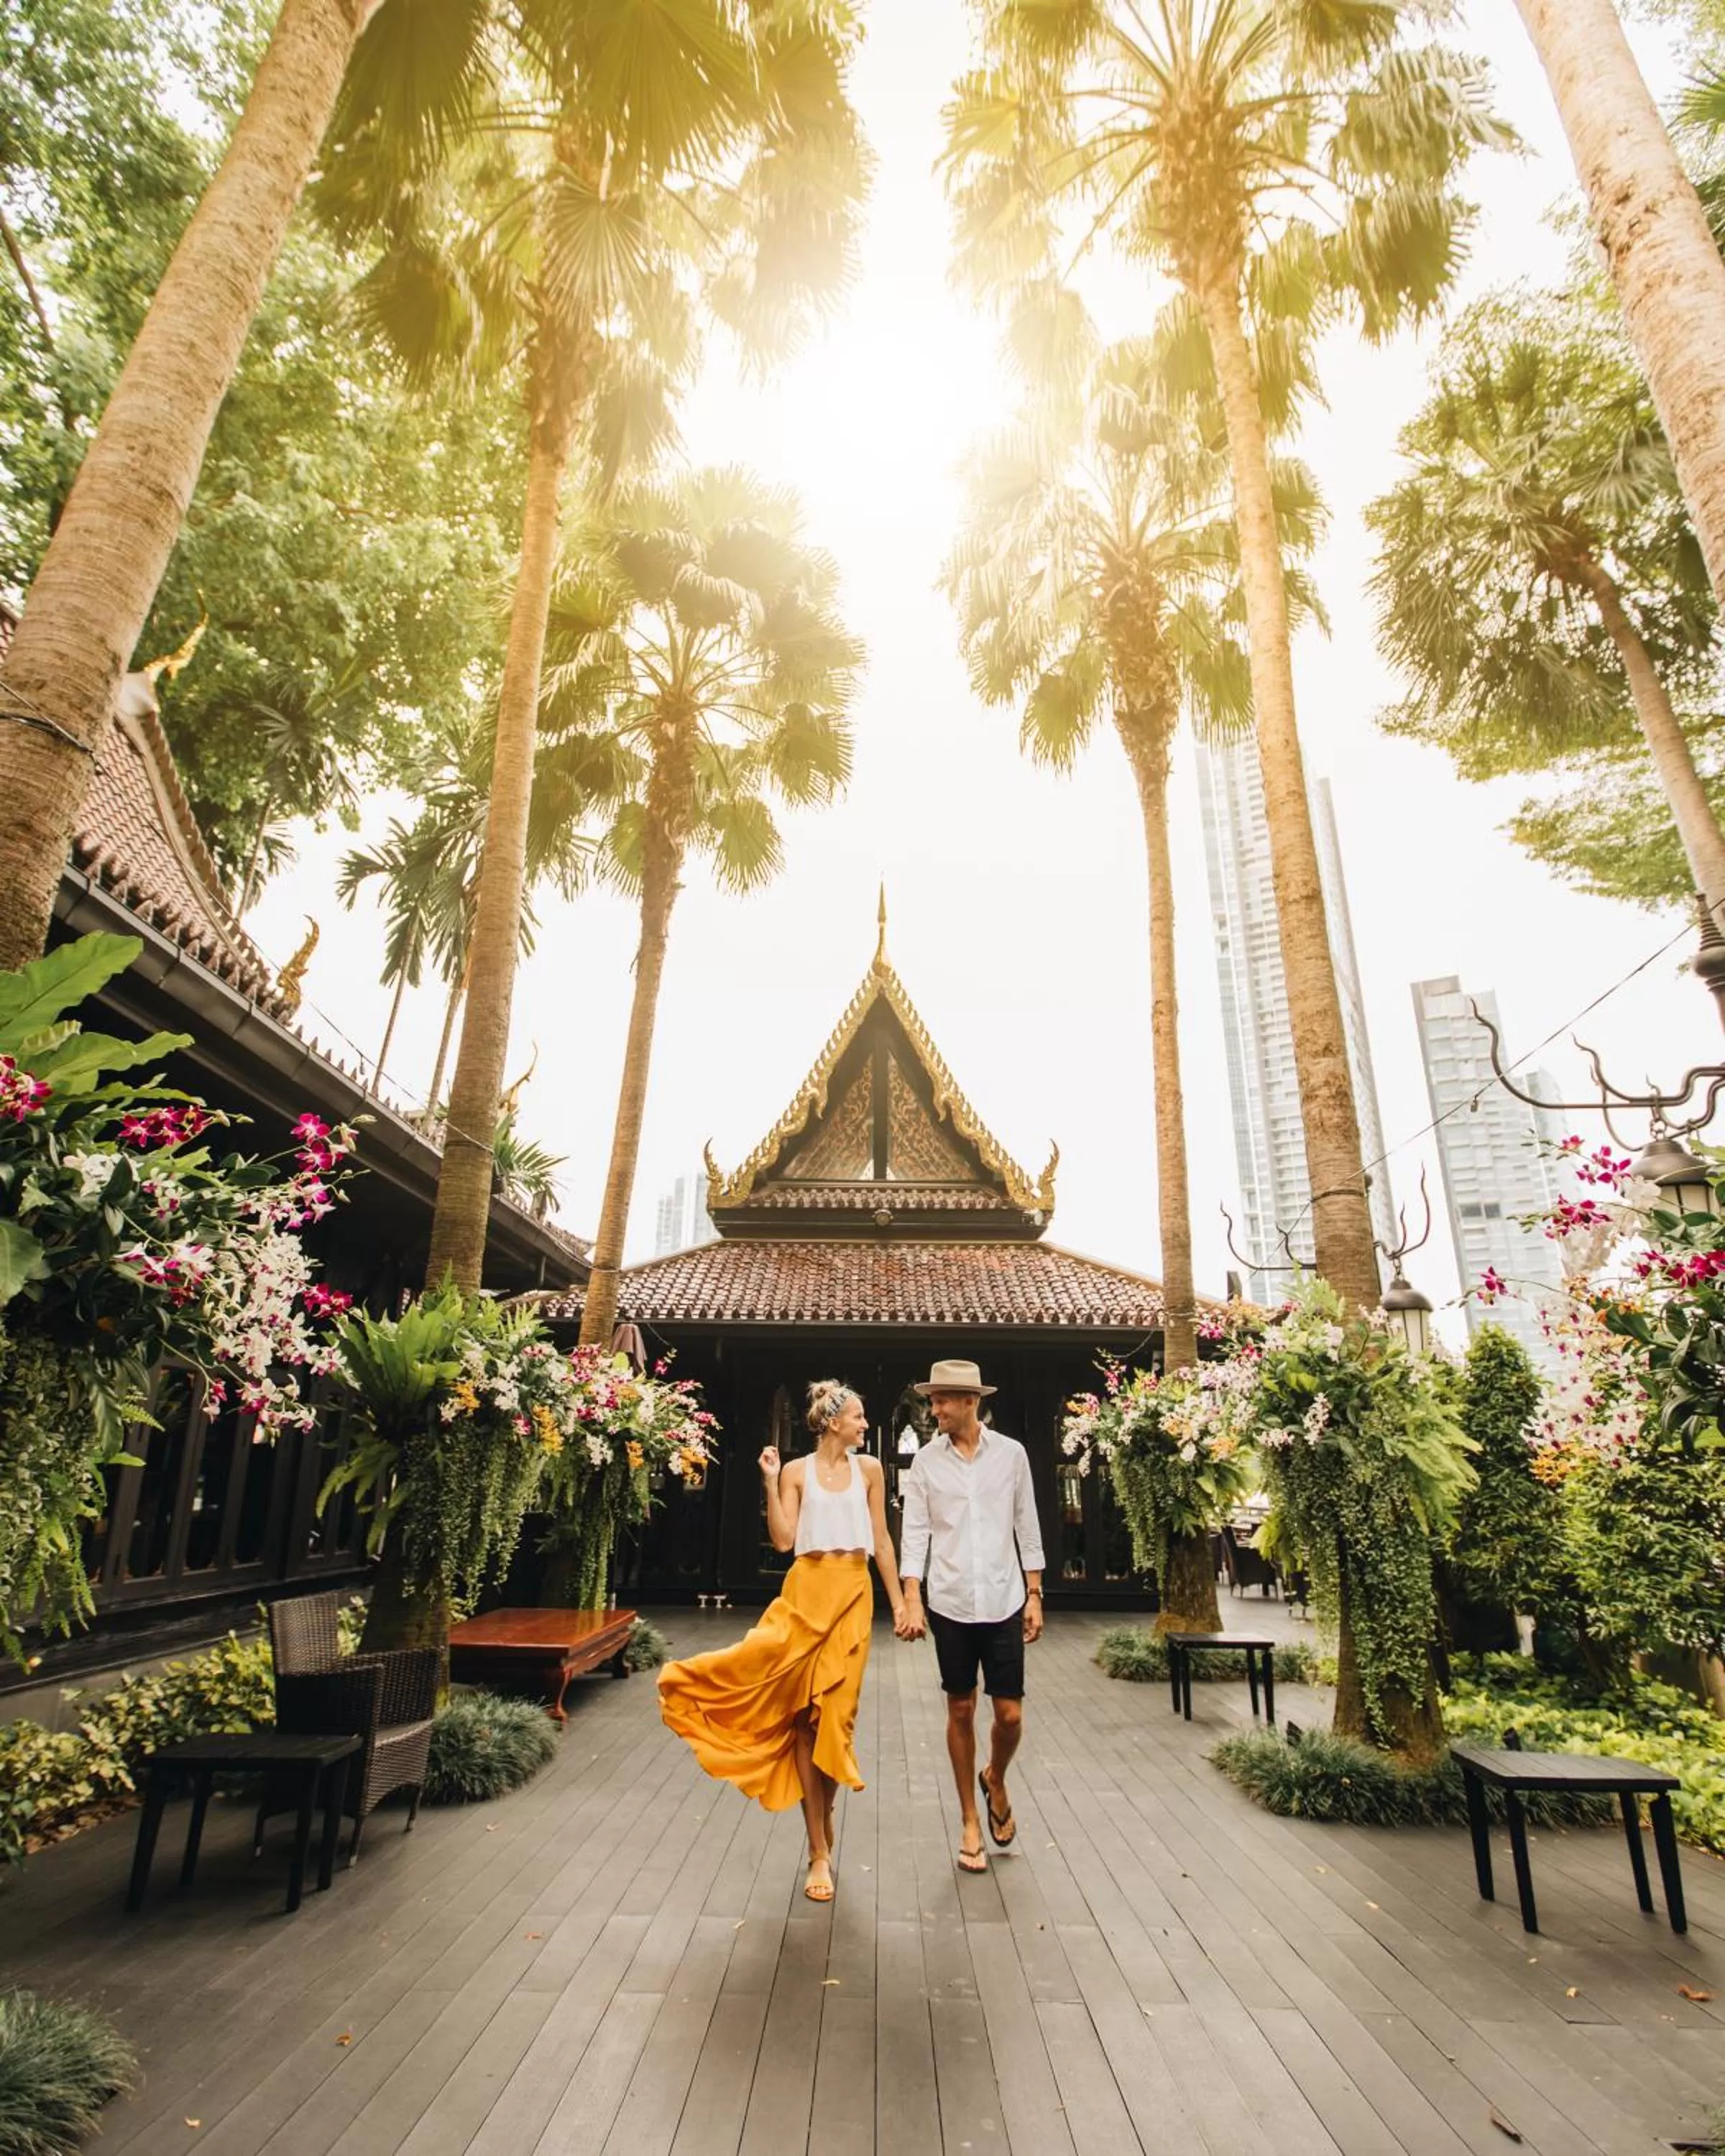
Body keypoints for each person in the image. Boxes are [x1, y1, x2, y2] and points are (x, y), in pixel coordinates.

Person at [658, 1381, 920, 1904]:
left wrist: (903, 1604)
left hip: (852, 1596)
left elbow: (883, 1541)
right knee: (803, 1721)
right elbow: (782, 1540)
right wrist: (771, 1480)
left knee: (836, 1721)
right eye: (860, 1418)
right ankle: (818, 1849)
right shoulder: (796, 1472)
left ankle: (824, 1816)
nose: (866, 1426)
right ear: (831, 1422)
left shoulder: (869, 1471)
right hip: (804, 1596)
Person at [898, 1358, 1045, 1874]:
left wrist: (1034, 1590)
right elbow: (915, 1532)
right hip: (951, 1601)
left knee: (1009, 1715)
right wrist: (911, 1595)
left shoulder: (1012, 1456)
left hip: (1004, 1597)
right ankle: (968, 1821)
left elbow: (1026, 1520)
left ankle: (996, 1778)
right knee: (960, 1709)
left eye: (941, 1400)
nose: (933, 1407)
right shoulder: (926, 1464)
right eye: (931, 1399)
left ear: (970, 1403)